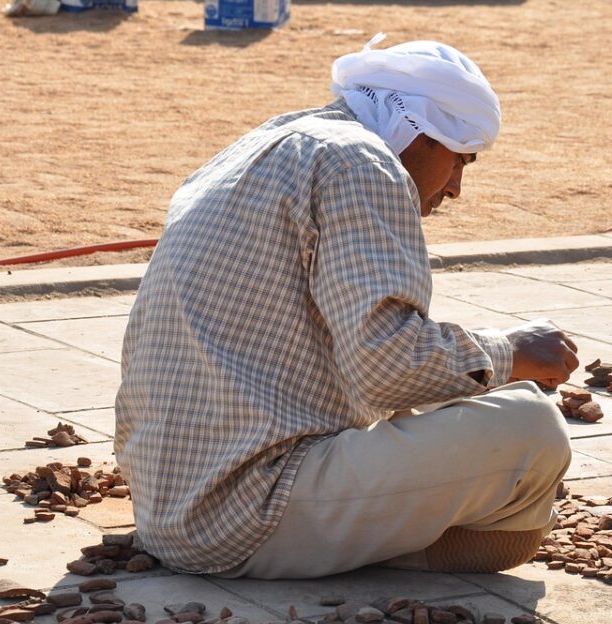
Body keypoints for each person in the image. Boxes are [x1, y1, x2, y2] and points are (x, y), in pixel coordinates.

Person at [114, 35, 579, 580]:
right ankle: (396, 548)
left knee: (464, 389)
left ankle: (370, 537)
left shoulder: (275, 138)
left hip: (169, 497)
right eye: (460, 158)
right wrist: (511, 351)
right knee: (531, 427)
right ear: (418, 131)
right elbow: (389, 367)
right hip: (243, 513)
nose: (456, 188)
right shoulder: (362, 162)